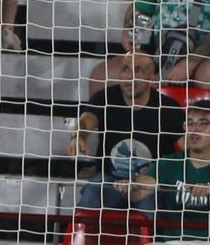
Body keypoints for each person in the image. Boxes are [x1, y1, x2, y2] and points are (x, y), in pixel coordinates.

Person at [69, 49, 185, 213]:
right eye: (126, 70)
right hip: (110, 180)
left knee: (151, 209)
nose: (131, 76)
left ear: (153, 79)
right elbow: (86, 121)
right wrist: (77, 137)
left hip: (150, 183)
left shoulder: (168, 107)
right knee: (89, 202)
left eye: (139, 70)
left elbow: (188, 146)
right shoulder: (105, 98)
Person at [131, 101, 210, 245]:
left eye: (203, 124)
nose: (194, 130)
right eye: (190, 124)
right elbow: (139, 192)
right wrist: (129, 186)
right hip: (174, 243)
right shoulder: (170, 162)